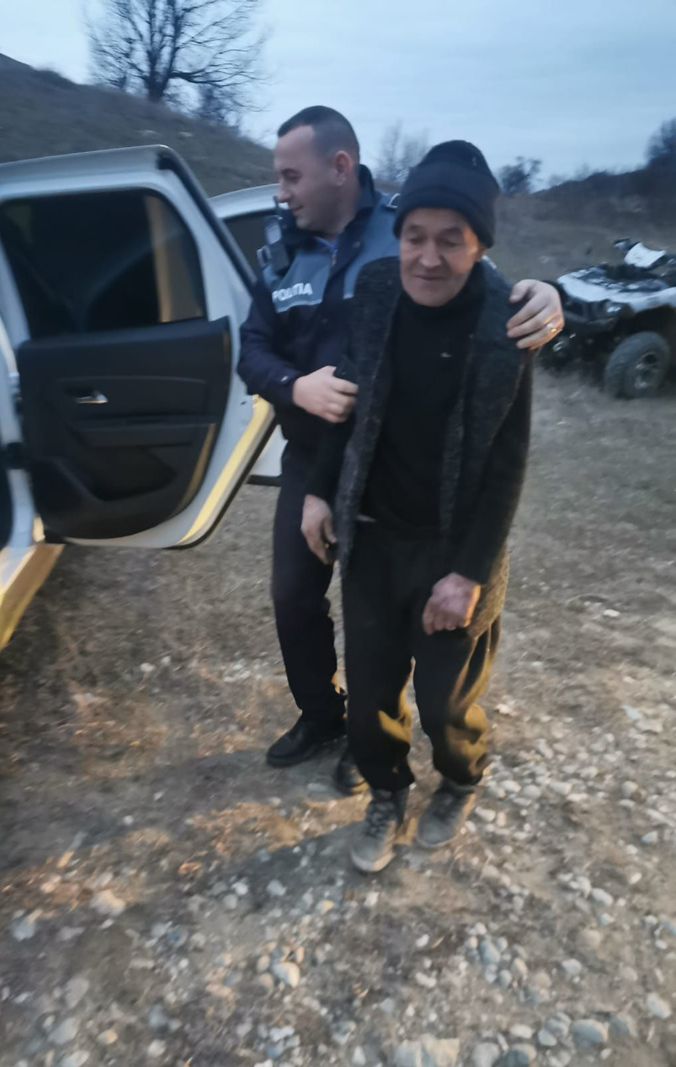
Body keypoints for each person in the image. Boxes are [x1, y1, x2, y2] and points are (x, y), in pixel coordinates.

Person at [237, 107, 562, 795]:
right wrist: (295, 387)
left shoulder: (407, 226)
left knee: (410, 646)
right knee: (294, 598)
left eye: (291, 175)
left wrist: (545, 296)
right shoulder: (281, 254)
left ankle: (384, 741)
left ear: (340, 167)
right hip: (318, 458)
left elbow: (479, 280)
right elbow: (252, 349)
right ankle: (327, 719)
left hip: (398, 472)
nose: (281, 191)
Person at [301, 140, 533, 873]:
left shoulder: (507, 323)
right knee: (371, 689)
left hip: (451, 549)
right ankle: (386, 790)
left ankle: (462, 779)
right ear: (397, 237)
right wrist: (318, 489)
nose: (428, 258)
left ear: (480, 246)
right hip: (372, 539)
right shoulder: (375, 291)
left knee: (444, 700)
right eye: (414, 237)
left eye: (451, 240)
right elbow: (348, 399)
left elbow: (507, 462)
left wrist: (467, 574)